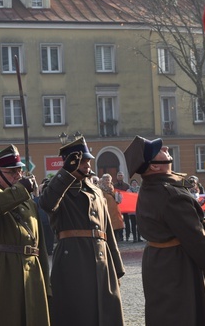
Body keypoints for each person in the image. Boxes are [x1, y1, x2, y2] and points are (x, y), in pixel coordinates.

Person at [125, 136, 205, 326]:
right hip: (179, 268)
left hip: (161, 263)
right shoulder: (170, 194)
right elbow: (196, 238)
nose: (166, 148)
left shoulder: (153, 186)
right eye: (159, 150)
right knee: (185, 316)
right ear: (154, 166)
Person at [39, 136, 125, 326]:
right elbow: (46, 203)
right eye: (82, 161)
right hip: (73, 260)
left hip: (101, 260)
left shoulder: (95, 190)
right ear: (69, 163)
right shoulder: (58, 187)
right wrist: (65, 173)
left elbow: (107, 231)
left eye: (88, 160)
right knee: (78, 313)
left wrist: (117, 268)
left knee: (106, 313)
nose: (87, 164)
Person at [0, 145, 51, 326]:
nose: (18, 176)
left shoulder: (29, 204)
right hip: (1, 274)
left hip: (32, 273)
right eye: (12, 172)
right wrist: (20, 190)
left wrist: (47, 283)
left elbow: (40, 247)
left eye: (20, 171)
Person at [99, 173, 125, 242]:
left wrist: (119, 197)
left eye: (108, 179)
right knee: (109, 226)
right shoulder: (100, 189)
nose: (107, 181)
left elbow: (117, 200)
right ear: (103, 181)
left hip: (115, 210)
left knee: (116, 226)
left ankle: (116, 239)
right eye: (106, 179)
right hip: (107, 210)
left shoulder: (112, 189)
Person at [126, 178, 142, 242]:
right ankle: (134, 238)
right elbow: (127, 199)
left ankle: (139, 237)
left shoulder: (140, 190)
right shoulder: (128, 190)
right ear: (131, 184)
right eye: (133, 183)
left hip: (139, 210)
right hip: (132, 210)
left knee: (139, 224)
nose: (134, 184)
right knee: (133, 224)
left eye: (135, 183)